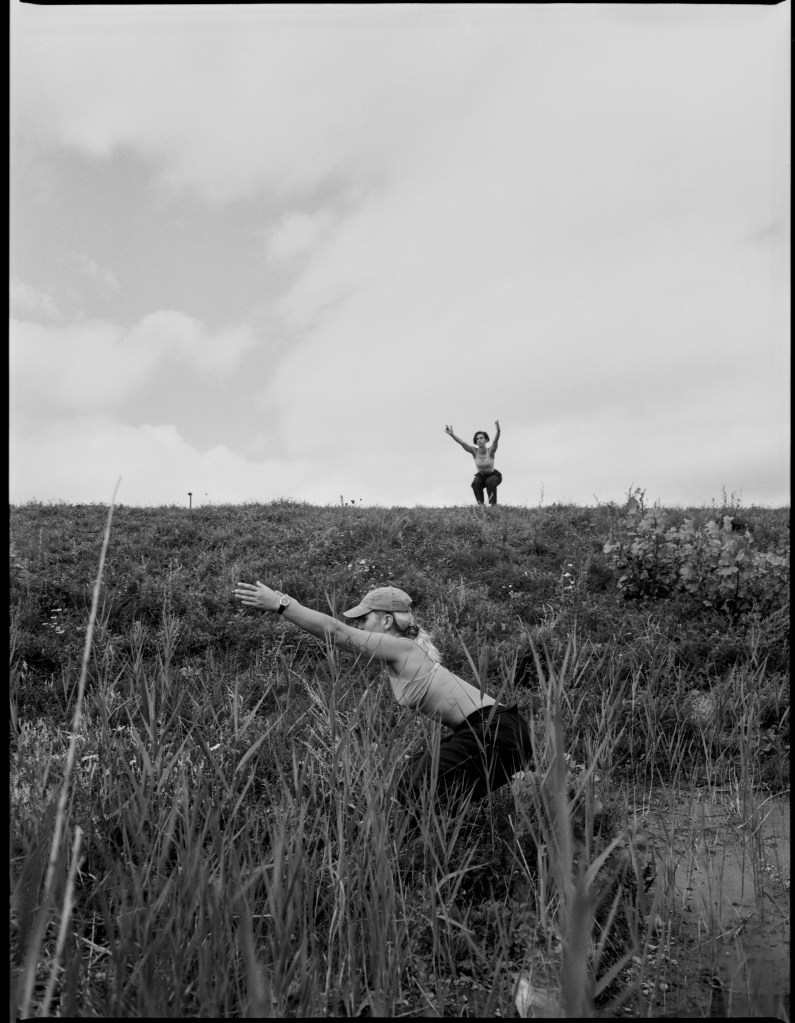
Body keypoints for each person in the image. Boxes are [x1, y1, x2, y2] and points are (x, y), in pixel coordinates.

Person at [232, 582, 532, 813]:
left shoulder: (404, 649)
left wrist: (283, 605)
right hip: (488, 732)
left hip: (496, 731)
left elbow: (335, 632)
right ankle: (406, 849)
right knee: (416, 785)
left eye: (364, 618)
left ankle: (385, 844)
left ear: (387, 621)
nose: (360, 626)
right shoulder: (399, 654)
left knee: (414, 786)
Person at [445, 420, 503, 505]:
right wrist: (452, 435)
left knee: (490, 482)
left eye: (481, 438)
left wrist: (498, 431)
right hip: (481, 476)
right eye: (477, 439)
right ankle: (481, 505)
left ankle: (493, 504)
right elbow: (462, 443)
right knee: (475, 483)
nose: (479, 440)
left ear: (486, 440)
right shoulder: (474, 451)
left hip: (493, 475)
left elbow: (495, 441)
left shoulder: (490, 451)